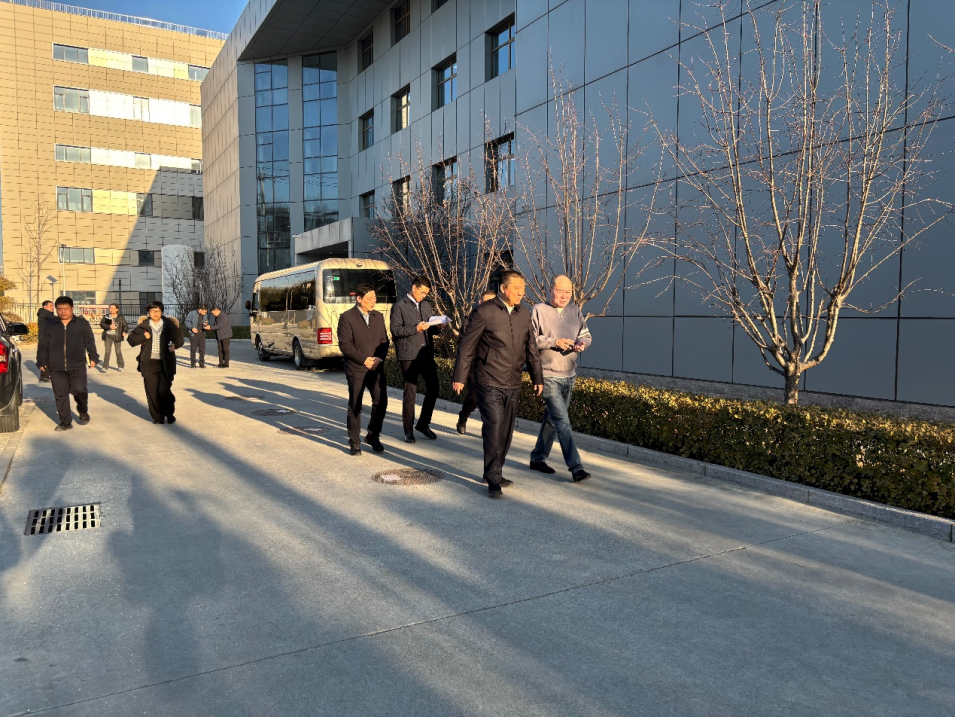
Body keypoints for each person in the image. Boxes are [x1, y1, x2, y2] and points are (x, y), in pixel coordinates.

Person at [452, 271, 543, 499]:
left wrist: (537, 377)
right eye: (517, 288)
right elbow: (467, 346)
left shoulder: (524, 314)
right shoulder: (484, 312)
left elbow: (531, 348)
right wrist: (460, 376)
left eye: (523, 289)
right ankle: (493, 477)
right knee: (493, 425)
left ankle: (495, 470)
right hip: (489, 379)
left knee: (506, 430)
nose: (521, 293)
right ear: (503, 288)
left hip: (513, 381)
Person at [529, 275, 593, 482]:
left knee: (552, 419)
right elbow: (530, 339)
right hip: (548, 374)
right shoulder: (538, 310)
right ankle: (576, 467)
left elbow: (586, 335)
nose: (564, 296)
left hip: (569, 375)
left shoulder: (575, 311)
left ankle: (538, 458)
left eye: (568, 292)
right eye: (560, 291)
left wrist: (582, 344)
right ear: (551, 290)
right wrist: (554, 342)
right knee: (562, 422)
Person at [390, 275, 446, 443]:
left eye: (426, 293)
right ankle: (408, 430)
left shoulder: (426, 305)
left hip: (426, 353)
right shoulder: (399, 306)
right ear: (414, 288)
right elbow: (396, 330)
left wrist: (439, 327)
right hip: (409, 355)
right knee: (410, 393)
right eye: (422, 292)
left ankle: (423, 424)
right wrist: (415, 328)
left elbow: (429, 329)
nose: (424, 296)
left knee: (434, 387)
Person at [337, 283, 389, 455]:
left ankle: (373, 435)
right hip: (356, 368)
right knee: (355, 404)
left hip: (376, 367)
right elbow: (345, 345)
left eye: (375, 298)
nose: (373, 301)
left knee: (381, 402)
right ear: (359, 299)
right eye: (369, 298)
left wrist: (379, 359)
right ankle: (354, 441)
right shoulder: (347, 317)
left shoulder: (378, 317)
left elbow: (384, 341)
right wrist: (363, 359)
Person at [36, 296, 99, 431]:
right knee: (60, 394)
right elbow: (43, 343)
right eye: (59, 309)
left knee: (79, 390)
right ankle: (65, 422)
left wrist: (93, 357)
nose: (63, 312)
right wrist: (41, 360)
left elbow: (89, 341)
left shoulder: (82, 323)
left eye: (66, 309)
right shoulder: (50, 324)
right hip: (56, 366)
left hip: (77, 365)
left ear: (72, 308)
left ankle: (82, 411)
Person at [127, 302, 184, 424]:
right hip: (149, 363)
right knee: (152, 392)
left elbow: (180, 339)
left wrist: (175, 345)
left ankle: (169, 413)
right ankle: (158, 417)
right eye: (152, 311)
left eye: (158, 311)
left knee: (164, 391)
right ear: (149, 312)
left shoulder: (169, 325)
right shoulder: (143, 326)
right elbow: (131, 340)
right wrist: (143, 336)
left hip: (166, 364)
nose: (155, 313)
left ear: (161, 312)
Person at [456, 289, 499, 435]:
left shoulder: (500, 321)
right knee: (474, 397)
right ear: (480, 303)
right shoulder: (470, 319)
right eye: (485, 302)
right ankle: (463, 417)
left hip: (492, 365)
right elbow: (462, 345)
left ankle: (487, 428)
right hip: (474, 365)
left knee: (489, 399)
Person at [98, 304, 128, 372]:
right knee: (107, 351)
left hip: (117, 336)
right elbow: (102, 324)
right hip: (108, 336)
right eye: (110, 308)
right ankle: (105, 367)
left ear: (117, 309)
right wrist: (109, 327)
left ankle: (121, 366)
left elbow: (125, 326)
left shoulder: (120, 318)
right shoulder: (106, 317)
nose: (111, 310)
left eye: (113, 308)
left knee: (118, 351)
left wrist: (124, 331)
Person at [184, 304, 209, 368]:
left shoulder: (205, 315)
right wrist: (192, 328)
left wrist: (205, 324)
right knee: (193, 349)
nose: (204, 313)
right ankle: (193, 363)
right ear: (200, 309)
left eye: (205, 312)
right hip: (194, 333)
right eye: (203, 312)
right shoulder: (192, 313)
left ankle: (201, 363)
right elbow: (186, 322)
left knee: (202, 349)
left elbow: (205, 322)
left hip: (202, 333)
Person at [36, 300, 55, 382]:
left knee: (47, 357)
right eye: (50, 306)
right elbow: (57, 320)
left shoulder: (44, 314)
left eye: (53, 306)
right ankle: (44, 376)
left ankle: (46, 375)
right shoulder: (46, 313)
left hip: (46, 338)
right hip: (45, 339)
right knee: (44, 357)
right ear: (45, 306)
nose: (52, 307)